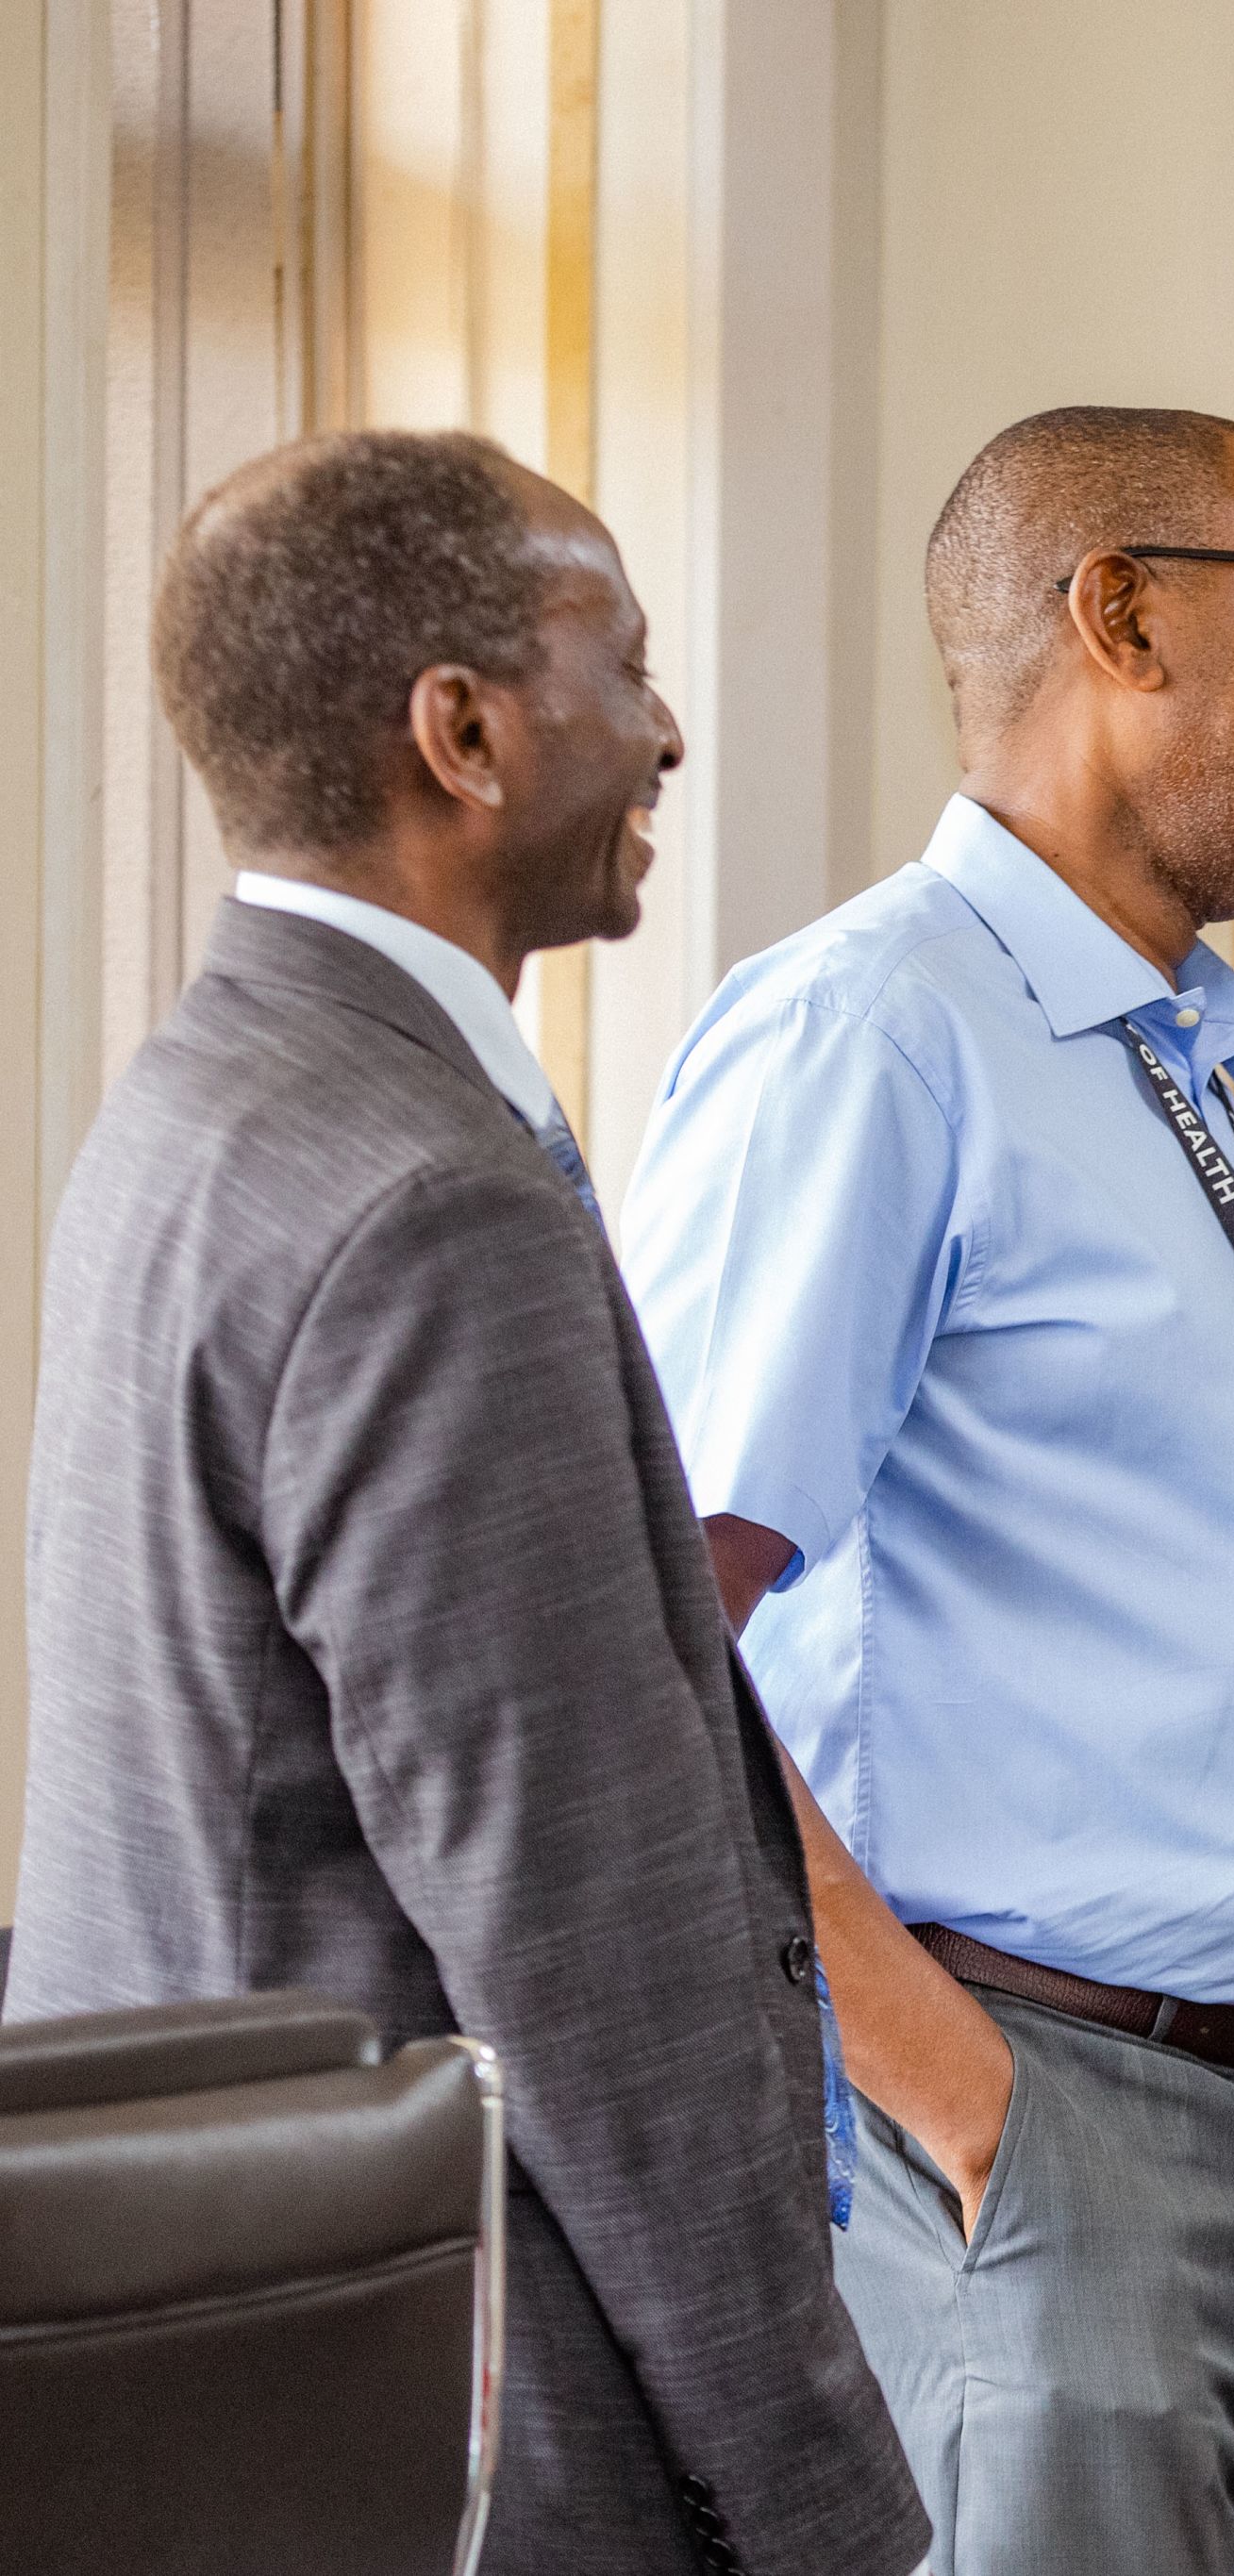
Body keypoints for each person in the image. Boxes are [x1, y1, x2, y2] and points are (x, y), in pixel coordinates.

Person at [615, 407, 1234, 2576]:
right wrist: (967, 2108)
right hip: (1042, 2142)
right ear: (1121, 614)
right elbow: (636, 1648)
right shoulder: (879, 1035)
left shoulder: (1170, 1066)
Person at [9, 431, 927, 2574]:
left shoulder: (202, 1098)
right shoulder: (433, 1203)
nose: (668, 725)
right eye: (620, 659)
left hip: (189, 2347)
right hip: (457, 2388)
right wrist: (818, 2499)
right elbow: (581, 1931)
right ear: (465, 729)